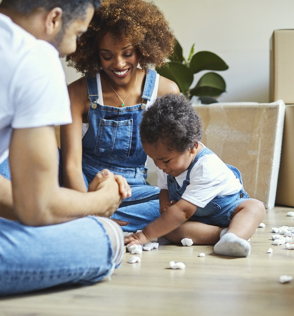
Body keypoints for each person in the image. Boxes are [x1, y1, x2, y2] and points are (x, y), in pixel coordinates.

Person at [0, 0, 130, 296]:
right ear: (54, 19)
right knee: (106, 238)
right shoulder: (34, 55)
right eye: (78, 34)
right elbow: (37, 207)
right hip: (43, 202)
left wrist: (72, 205)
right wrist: (100, 202)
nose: (72, 48)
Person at [61, 0, 180, 232]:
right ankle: (91, 221)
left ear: (142, 48)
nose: (119, 64)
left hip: (133, 189)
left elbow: (178, 158)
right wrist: (89, 207)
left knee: (174, 208)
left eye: (127, 53)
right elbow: (71, 166)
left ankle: (90, 223)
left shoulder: (166, 91)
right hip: (85, 185)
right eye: (107, 56)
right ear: (93, 53)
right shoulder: (77, 93)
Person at [125, 94, 266, 257]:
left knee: (255, 207)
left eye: (165, 161)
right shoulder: (165, 164)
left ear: (192, 147)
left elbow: (183, 211)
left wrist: (145, 235)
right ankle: (223, 235)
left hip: (228, 210)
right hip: (197, 219)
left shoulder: (206, 167)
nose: (160, 166)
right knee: (170, 229)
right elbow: (164, 188)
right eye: (155, 160)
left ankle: (235, 234)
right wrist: (165, 206)